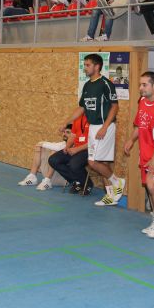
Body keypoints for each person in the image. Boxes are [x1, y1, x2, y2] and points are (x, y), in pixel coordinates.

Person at [60, 53, 124, 206]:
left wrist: (105, 127)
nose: (85, 67)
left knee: (93, 162)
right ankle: (110, 195)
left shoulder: (105, 83)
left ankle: (118, 181)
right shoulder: (87, 85)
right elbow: (81, 108)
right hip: (93, 128)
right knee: (100, 161)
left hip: (104, 127)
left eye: (88, 65)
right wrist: (66, 121)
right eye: (85, 64)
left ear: (97, 66)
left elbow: (115, 106)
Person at [124, 71, 154, 239]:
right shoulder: (143, 102)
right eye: (140, 84)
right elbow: (139, 124)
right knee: (150, 187)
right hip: (145, 151)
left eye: (144, 84)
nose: (141, 88)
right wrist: (131, 140)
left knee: (153, 185)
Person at [19, 114, 89, 191]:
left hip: (63, 179)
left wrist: (42, 143)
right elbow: (56, 145)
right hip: (58, 176)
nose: (65, 134)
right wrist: (40, 144)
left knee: (53, 151)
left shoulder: (72, 145)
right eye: (64, 132)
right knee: (41, 148)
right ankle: (32, 176)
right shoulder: (63, 144)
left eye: (68, 132)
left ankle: (47, 180)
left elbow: (58, 147)